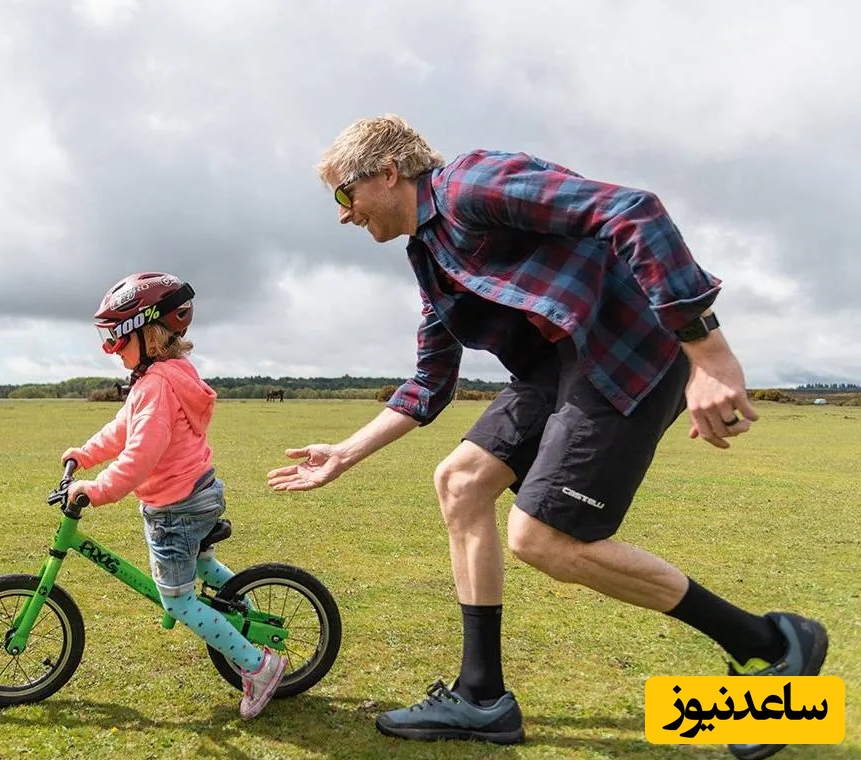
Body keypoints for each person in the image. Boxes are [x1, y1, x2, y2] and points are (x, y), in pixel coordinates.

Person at [266, 115, 827, 759]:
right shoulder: (429, 256)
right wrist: (345, 452)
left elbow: (632, 211)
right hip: (555, 369)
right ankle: (482, 699)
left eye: (345, 195)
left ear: (388, 172)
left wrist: (710, 355)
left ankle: (771, 644)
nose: (343, 215)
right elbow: (431, 380)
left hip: (624, 349)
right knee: (460, 481)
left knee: (543, 539)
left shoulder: (471, 183)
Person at [65, 271, 288, 720]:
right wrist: (86, 454)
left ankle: (258, 665)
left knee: (178, 599)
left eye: (115, 339)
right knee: (203, 565)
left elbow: (142, 453)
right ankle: (251, 627)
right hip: (197, 490)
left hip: (178, 506)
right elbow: (123, 429)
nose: (111, 350)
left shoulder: (155, 385)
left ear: (146, 333)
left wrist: (99, 489)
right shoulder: (166, 376)